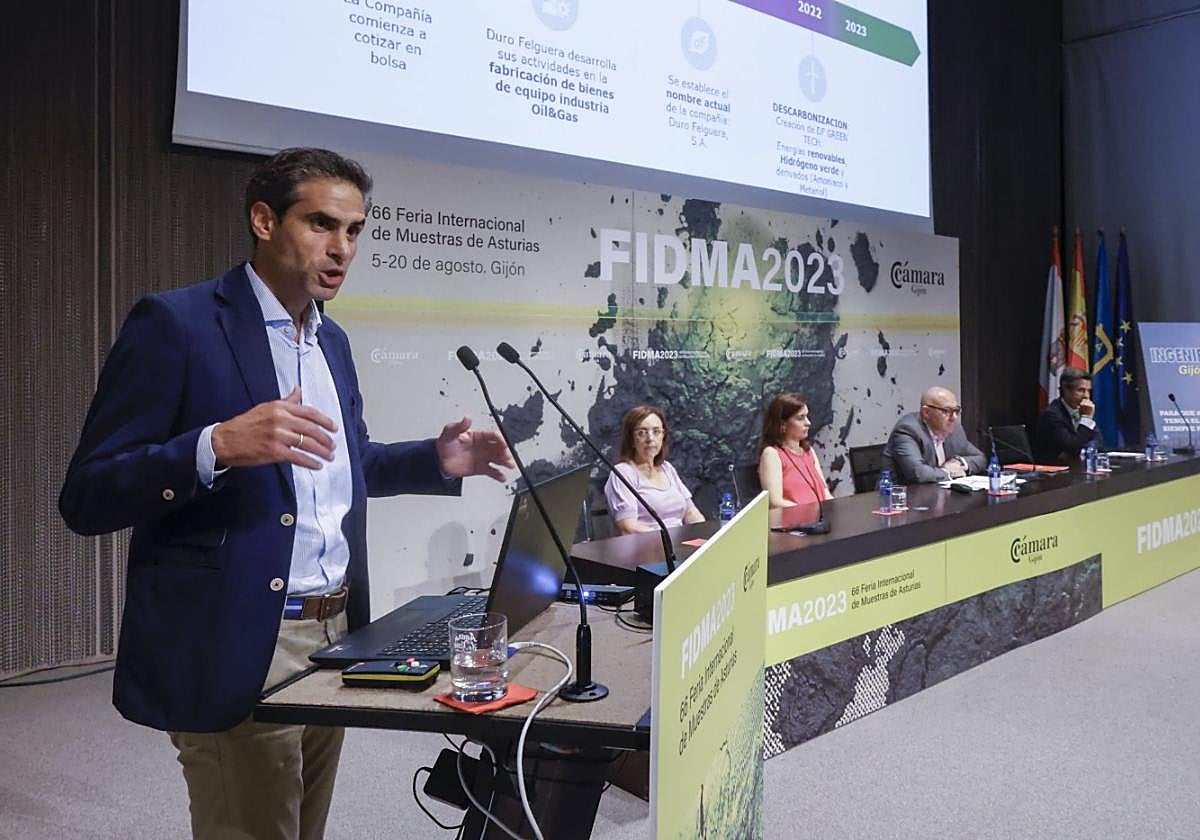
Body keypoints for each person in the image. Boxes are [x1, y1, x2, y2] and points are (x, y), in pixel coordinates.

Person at [58, 148, 514, 840]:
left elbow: (339, 464)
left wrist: (437, 459)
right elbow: (88, 495)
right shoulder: (177, 326)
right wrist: (212, 446)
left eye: (356, 230)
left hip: (335, 635)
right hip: (240, 634)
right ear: (264, 220)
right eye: (322, 225)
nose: (342, 249)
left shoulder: (332, 342)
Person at [604, 405, 705, 534]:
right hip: (648, 548)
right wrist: (669, 542)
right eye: (642, 433)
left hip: (681, 546)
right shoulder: (622, 473)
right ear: (631, 440)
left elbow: (691, 513)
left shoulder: (667, 468)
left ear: (663, 436)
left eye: (656, 431)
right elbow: (628, 528)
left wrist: (705, 534)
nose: (650, 438)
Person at [880, 386, 986, 484]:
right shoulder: (907, 430)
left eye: (956, 411)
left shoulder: (954, 429)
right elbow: (918, 473)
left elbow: (980, 458)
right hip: (899, 499)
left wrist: (960, 463)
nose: (954, 417)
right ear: (926, 412)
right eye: (947, 411)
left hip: (938, 496)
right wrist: (948, 472)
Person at [757, 393, 833, 508]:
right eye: (800, 418)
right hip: (795, 523)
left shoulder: (809, 451)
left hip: (821, 521)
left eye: (807, 416)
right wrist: (809, 515)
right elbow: (775, 502)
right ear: (783, 424)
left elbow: (825, 493)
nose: (808, 423)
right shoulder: (771, 454)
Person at [1034, 367, 1103, 464]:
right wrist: (1086, 418)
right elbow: (1073, 447)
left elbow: (1098, 440)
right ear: (1066, 390)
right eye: (1081, 390)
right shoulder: (1051, 415)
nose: (1086, 396)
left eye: (1088, 391)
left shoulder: (1082, 409)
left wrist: (1083, 450)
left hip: (1076, 467)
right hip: (1053, 473)